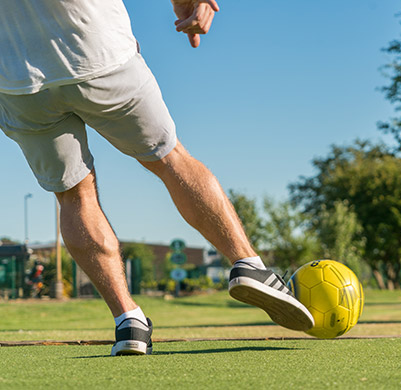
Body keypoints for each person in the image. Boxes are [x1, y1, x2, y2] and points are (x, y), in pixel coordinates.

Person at [0, 0, 314, 356]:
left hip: (18, 79)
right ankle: (248, 264)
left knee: (74, 196)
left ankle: (128, 321)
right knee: (170, 159)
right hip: (96, 49)